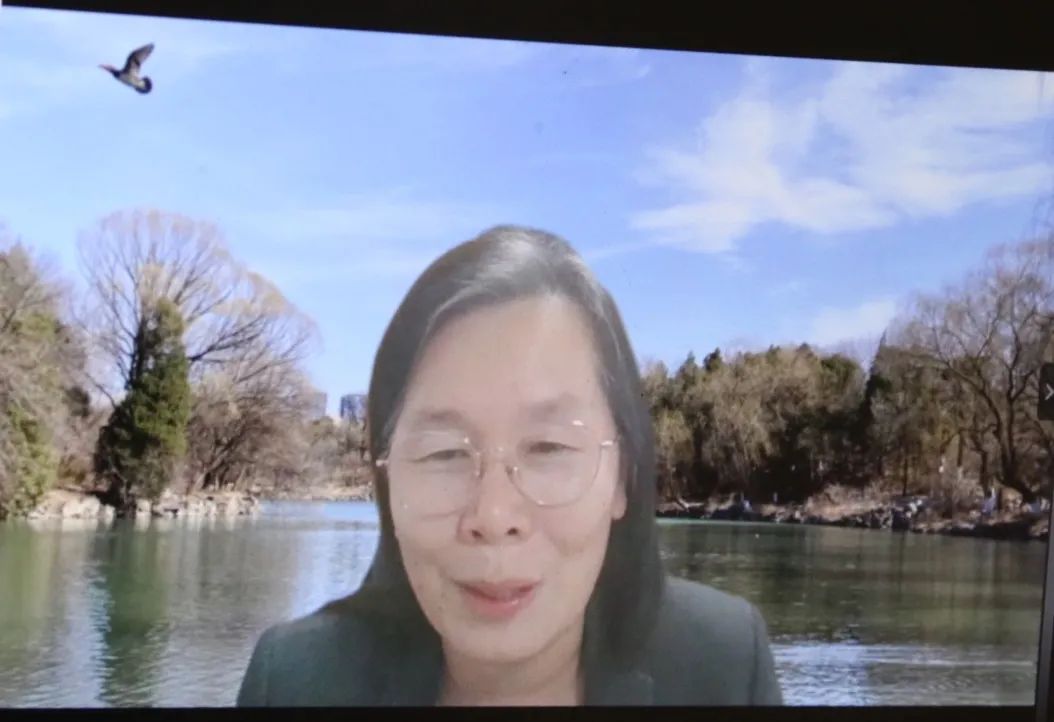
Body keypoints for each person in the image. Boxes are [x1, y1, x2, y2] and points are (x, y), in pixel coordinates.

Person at [235, 225, 783, 706]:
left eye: (548, 448)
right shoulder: (295, 681)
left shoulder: (723, 665)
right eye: (444, 453)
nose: (494, 517)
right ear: (387, 477)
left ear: (623, 475)